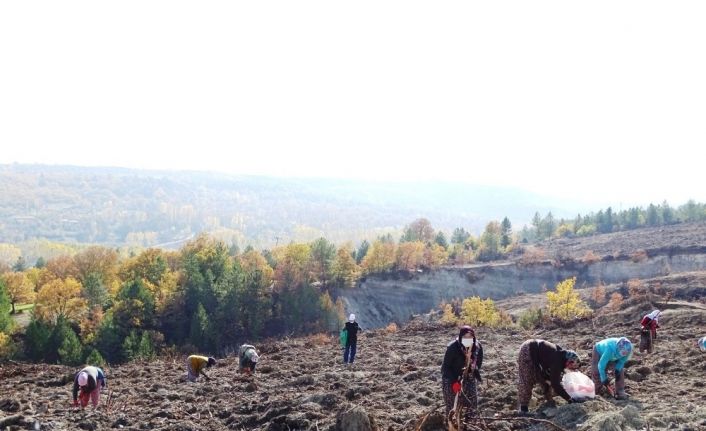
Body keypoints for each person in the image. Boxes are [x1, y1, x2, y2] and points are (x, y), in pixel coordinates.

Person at [516, 339, 581, 414]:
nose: (571, 369)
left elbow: (553, 379)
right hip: (528, 350)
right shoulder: (557, 361)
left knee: (547, 378)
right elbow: (555, 384)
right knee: (527, 377)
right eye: (573, 367)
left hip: (538, 354)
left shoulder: (561, 356)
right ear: (569, 362)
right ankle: (523, 408)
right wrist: (570, 399)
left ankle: (549, 402)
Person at [441, 325, 483, 426]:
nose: (468, 340)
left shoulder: (477, 347)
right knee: (453, 406)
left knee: (472, 404)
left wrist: (472, 368)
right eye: (465, 337)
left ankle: (471, 425)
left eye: (470, 337)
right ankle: (452, 425)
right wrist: (454, 381)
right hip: (452, 379)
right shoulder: (453, 348)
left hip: (469, 378)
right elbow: (445, 368)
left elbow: (479, 363)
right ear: (460, 337)